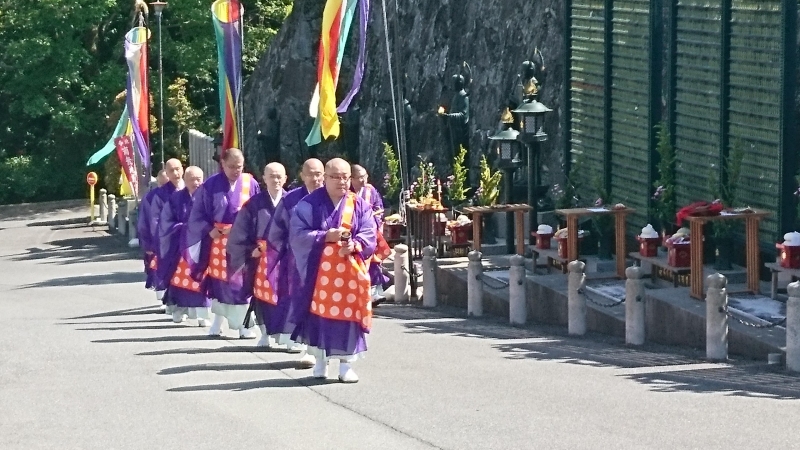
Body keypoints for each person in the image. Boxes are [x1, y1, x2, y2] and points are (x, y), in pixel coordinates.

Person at [289, 158, 377, 383]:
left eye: (346, 177)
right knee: (319, 315)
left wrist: (355, 244)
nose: (342, 182)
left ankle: (346, 364)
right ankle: (320, 361)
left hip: (350, 274)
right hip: (319, 275)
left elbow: (369, 233)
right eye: (336, 177)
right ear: (325, 178)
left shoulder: (359, 205)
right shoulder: (309, 204)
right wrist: (325, 236)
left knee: (349, 317)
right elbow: (297, 235)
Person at [184, 148, 261, 338]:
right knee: (220, 283)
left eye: (239, 167)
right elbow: (197, 214)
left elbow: (258, 211)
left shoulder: (250, 182)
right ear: (223, 165)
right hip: (218, 241)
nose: (236, 170)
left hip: (242, 242)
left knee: (241, 283)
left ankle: (244, 326)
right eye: (232, 166)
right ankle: (218, 322)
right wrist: (209, 229)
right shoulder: (210, 185)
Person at [227, 162, 293, 349]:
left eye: (279, 176)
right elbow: (240, 232)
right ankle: (265, 334)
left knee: (286, 297)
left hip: (285, 258)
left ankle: (287, 337)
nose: (276, 180)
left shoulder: (291, 202)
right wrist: (250, 250)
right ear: (264, 179)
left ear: (286, 178)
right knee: (262, 297)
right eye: (271, 176)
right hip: (261, 258)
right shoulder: (253, 204)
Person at [267, 158, 324, 367]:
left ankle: (322, 348)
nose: (316, 179)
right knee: (301, 301)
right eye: (311, 174)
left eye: (319, 174)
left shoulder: (332, 198)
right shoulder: (291, 200)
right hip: (296, 261)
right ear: (302, 176)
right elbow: (277, 232)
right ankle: (306, 345)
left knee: (322, 303)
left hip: (327, 261)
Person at [157, 166, 210, 325]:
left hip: (203, 245)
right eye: (192, 179)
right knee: (179, 281)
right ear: (185, 181)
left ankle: (202, 315)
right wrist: (185, 228)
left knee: (202, 279)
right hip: (181, 247)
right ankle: (179, 309)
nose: (196, 182)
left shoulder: (208, 197)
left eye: (198, 179)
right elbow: (166, 222)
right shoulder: (176, 198)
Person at [146, 159, 185, 313]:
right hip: (169, 238)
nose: (175, 173)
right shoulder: (160, 195)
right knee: (171, 271)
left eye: (178, 169)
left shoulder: (191, 187)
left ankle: (189, 305)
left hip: (189, 237)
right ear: (167, 174)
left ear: (183, 169)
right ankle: (172, 302)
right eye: (171, 171)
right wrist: (156, 241)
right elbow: (155, 220)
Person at [350, 164, 392, 305]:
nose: (363, 180)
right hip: (353, 234)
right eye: (359, 177)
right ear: (352, 179)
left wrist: (375, 221)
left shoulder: (370, 190)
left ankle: (376, 293)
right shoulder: (347, 192)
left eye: (365, 176)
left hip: (370, 233)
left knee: (374, 262)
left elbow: (379, 208)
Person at [137, 169, 168, 304]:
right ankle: (162, 297)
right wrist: (147, 243)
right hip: (156, 239)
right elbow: (143, 221)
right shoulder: (150, 197)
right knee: (157, 269)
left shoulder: (180, 193)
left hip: (173, 238)